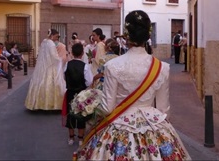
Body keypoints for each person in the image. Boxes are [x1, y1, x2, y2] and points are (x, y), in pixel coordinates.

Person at [77, 10, 191, 160]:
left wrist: (89, 106)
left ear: (126, 36)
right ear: (148, 36)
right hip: (154, 125)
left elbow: (107, 108)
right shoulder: (162, 67)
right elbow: (164, 109)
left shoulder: (112, 66)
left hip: (119, 126)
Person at [25, 29, 66, 110]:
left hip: (42, 68)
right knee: (52, 83)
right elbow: (54, 56)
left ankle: (37, 103)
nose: (56, 38)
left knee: (40, 83)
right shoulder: (51, 44)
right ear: (52, 35)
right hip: (50, 67)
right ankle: (51, 105)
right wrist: (60, 59)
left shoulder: (44, 42)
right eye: (56, 36)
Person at [64, 43, 93, 146]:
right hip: (81, 93)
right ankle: (81, 139)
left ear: (72, 53)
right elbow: (89, 81)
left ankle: (71, 138)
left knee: (70, 114)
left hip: (70, 92)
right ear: (82, 53)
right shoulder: (85, 66)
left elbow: (65, 76)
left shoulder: (67, 64)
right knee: (81, 114)